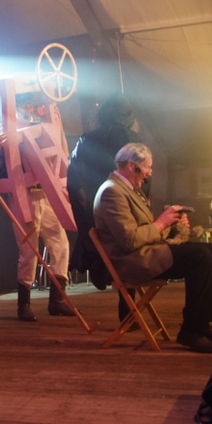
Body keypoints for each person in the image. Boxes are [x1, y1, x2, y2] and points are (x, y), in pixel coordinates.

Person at [92, 143, 212, 353]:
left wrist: (171, 224)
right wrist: (161, 222)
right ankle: (191, 331)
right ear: (132, 166)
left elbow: (147, 231)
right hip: (132, 261)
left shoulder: (130, 190)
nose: (149, 173)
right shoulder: (112, 192)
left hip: (147, 252)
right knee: (200, 256)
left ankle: (201, 325)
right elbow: (129, 240)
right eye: (147, 167)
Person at [0, 94, 75, 322]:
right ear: (15, 107)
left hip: (47, 193)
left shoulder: (43, 129)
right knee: (28, 250)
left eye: (32, 106)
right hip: (23, 196)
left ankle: (57, 300)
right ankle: (23, 305)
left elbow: (60, 156)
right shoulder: (5, 132)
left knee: (60, 244)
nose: (29, 110)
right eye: (25, 105)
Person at [67, 92, 140, 289]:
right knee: (128, 250)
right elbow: (142, 176)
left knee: (103, 243)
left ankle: (98, 265)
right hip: (126, 204)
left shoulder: (86, 140)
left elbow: (72, 182)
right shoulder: (132, 139)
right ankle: (126, 302)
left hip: (96, 204)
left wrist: (83, 220)